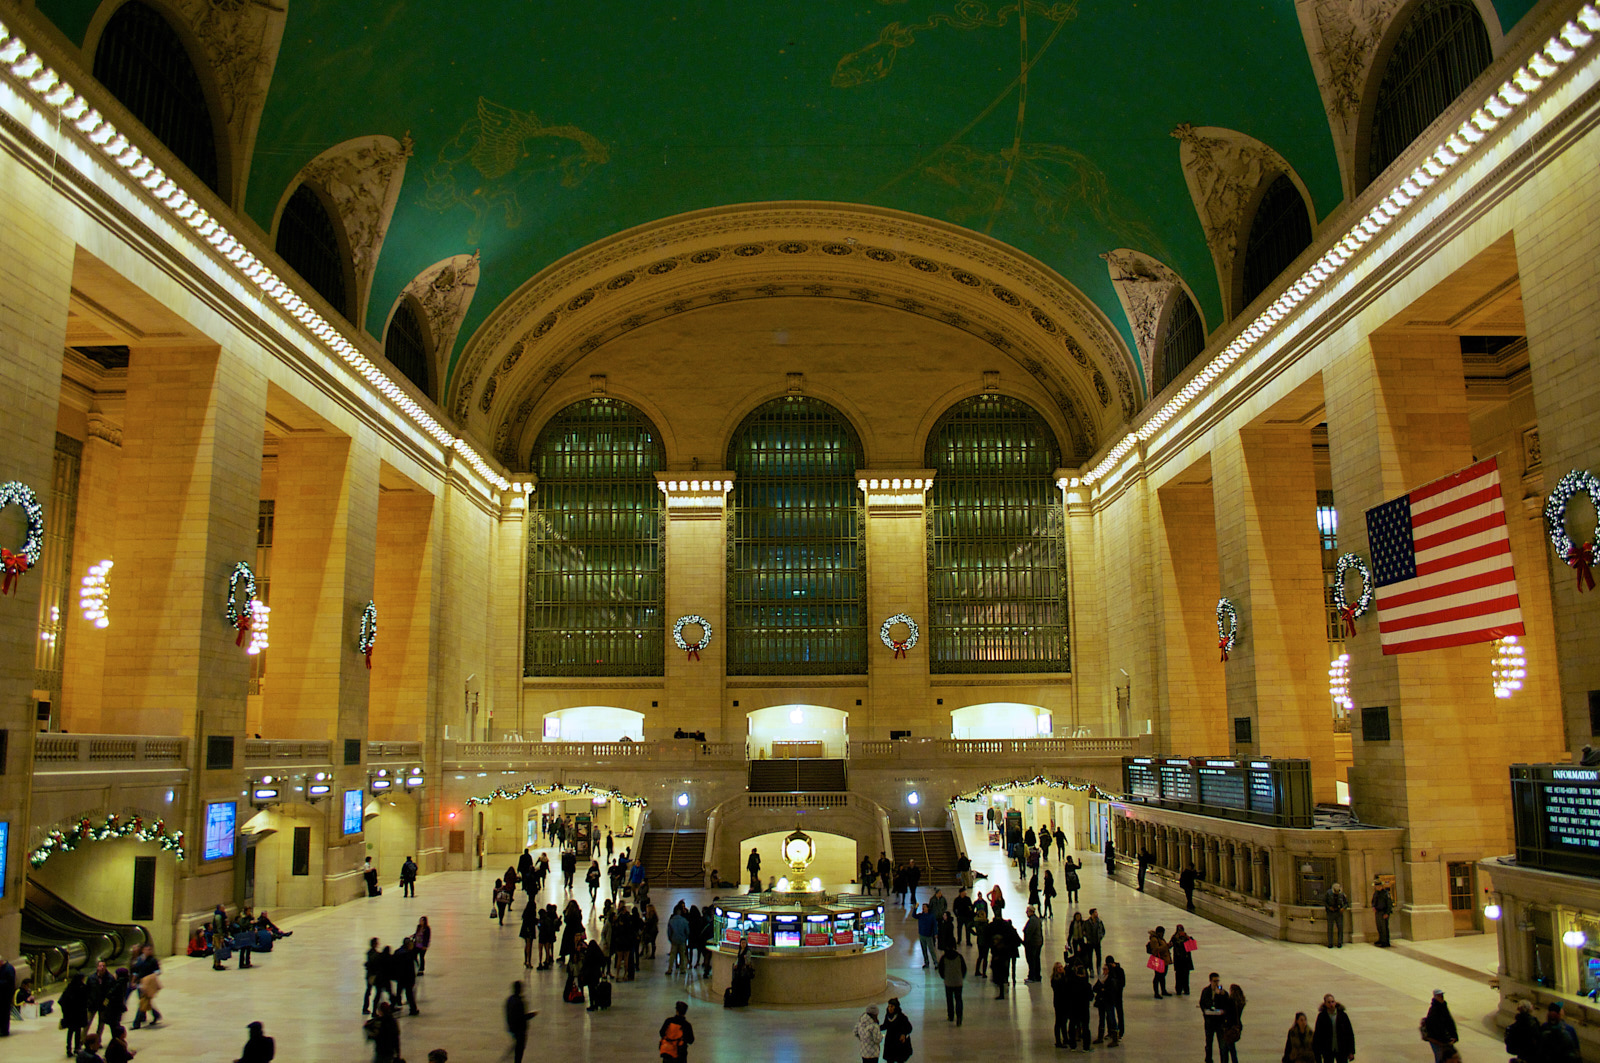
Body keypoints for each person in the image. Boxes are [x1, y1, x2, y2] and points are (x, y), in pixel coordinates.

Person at [1312, 992, 1355, 1063]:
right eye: (1329, 1002)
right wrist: (1317, 1052)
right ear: (1325, 1004)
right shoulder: (1322, 1017)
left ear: (1335, 1002)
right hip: (1328, 1050)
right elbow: (1318, 1035)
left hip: (1341, 1048)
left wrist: (1351, 1051)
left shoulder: (1343, 1015)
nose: (1331, 1004)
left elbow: (1349, 1033)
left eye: (1332, 1001)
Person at [504, 980, 536, 1063]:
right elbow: (522, 1017)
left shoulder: (510, 1000)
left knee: (517, 1049)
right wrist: (532, 1014)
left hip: (512, 1028)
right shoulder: (519, 1002)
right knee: (519, 1051)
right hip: (520, 1030)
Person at [1421, 988, 1457, 1062]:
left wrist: (1454, 1036)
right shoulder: (1434, 1010)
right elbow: (1435, 1027)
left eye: (1442, 995)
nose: (1441, 997)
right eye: (1439, 996)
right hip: (1436, 1040)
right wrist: (1444, 1040)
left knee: (1447, 1057)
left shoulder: (1443, 1006)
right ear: (1435, 997)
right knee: (1440, 1057)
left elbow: (1450, 1022)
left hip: (1443, 1039)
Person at [989, 916, 1021, 998]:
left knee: (1006, 966)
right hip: (1013, 951)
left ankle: (1006, 979)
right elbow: (1018, 941)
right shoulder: (1012, 932)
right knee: (1012, 966)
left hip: (1008, 952)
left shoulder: (1001, 935)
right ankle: (1013, 978)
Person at [60, 972, 90, 1056]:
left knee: (70, 1032)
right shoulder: (83, 988)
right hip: (78, 1014)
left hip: (70, 1014)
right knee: (77, 1031)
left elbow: (62, 1001)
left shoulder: (69, 988)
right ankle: (76, 1048)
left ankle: (69, 1048)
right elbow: (86, 1000)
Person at [1200, 972, 1227, 1062]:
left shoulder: (1222, 992)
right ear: (1210, 981)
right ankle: (1208, 1059)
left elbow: (1226, 1004)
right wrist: (1206, 1011)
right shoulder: (1206, 991)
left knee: (1222, 1045)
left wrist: (1219, 995)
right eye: (1215, 981)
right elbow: (1202, 1003)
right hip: (1210, 1022)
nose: (1216, 983)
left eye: (1218, 981)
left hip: (1220, 1022)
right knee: (1209, 1043)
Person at [937, 945, 966, 1025]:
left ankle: (951, 1016)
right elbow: (964, 968)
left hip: (948, 982)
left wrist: (944, 977)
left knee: (949, 1000)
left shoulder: (944, 958)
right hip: (958, 981)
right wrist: (961, 977)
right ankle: (959, 1016)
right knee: (958, 999)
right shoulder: (959, 957)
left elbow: (941, 970)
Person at [1093, 961, 1120, 1047]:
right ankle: (1100, 1037)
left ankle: (1115, 1038)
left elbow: (1110, 991)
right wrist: (1102, 989)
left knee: (1111, 1019)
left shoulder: (1111, 979)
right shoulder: (1101, 978)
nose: (1104, 971)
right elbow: (1095, 988)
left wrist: (1102, 989)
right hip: (1101, 1002)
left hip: (1108, 1002)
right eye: (1103, 969)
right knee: (1101, 1019)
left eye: (1105, 969)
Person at [1219, 983, 1246, 1063]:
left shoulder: (1231, 1002)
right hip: (1236, 1026)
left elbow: (1226, 1009)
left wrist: (1222, 994)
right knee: (1231, 1048)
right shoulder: (1241, 1002)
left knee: (1228, 1048)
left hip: (1229, 1027)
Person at [880, 997, 913, 1063]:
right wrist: (876, 1027)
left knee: (899, 1060)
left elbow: (909, 1028)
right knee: (890, 1060)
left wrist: (903, 1034)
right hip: (890, 1042)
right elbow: (885, 1025)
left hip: (898, 1044)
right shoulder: (888, 1016)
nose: (890, 1008)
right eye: (889, 1006)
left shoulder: (902, 1017)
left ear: (896, 1007)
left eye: (892, 1006)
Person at [392, 937, 419, 1015]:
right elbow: (411, 969)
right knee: (409, 994)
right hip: (407, 977)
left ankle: (396, 1005)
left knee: (399, 991)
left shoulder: (397, 952)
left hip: (400, 976)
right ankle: (413, 1009)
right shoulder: (409, 954)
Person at [1050, 962, 1071, 1048]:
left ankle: (1065, 1038)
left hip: (1065, 1002)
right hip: (1059, 1003)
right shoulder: (1055, 980)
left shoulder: (1065, 977)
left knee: (1064, 1021)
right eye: (1058, 967)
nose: (1060, 968)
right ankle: (1058, 1041)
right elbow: (1060, 989)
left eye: (1061, 967)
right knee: (1059, 1022)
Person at [1169, 924, 1195, 995]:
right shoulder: (1174, 937)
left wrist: (1187, 937)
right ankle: (1179, 990)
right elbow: (1170, 945)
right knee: (1178, 975)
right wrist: (1175, 938)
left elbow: (1193, 946)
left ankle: (1186, 989)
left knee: (1186, 975)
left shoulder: (1187, 937)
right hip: (1178, 960)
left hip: (1186, 960)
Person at [1147, 927, 1171, 1000]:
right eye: (1162, 933)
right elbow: (1155, 950)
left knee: (1162, 976)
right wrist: (1166, 946)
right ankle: (1156, 993)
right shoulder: (1154, 939)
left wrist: (1168, 946)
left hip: (1163, 960)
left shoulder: (1160, 938)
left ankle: (1163, 990)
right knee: (1157, 977)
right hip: (1158, 960)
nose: (1163, 934)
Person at [1023, 905, 1044, 982]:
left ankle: (1032, 976)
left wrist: (1025, 942)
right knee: (1036, 960)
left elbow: (1029, 932)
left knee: (1032, 960)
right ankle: (1037, 976)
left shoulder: (1032, 921)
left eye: (1027, 911)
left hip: (1033, 943)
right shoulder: (1037, 919)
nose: (1026, 913)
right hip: (1038, 942)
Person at [1323, 883, 1348, 948]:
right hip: (1330, 913)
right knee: (1330, 928)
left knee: (1340, 927)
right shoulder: (1328, 893)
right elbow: (1325, 902)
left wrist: (1343, 908)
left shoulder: (1342, 894)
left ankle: (1340, 942)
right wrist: (1329, 907)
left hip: (1339, 912)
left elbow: (1346, 903)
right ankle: (1330, 943)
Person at [1370, 878, 1392, 947]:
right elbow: (1373, 901)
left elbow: (1389, 904)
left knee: (1384, 928)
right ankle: (1381, 939)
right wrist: (1373, 907)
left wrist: (1387, 913)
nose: (1377, 887)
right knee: (1379, 927)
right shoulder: (1376, 893)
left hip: (1383, 912)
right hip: (1378, 912)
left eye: (1378, 886)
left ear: (1381, 886)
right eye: (1376, 886)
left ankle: (1385, 941)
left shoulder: (1386, 894)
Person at [915, 902, 937, 968]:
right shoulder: (921, 915)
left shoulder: (931, 916)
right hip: (922, 935)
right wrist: (915, 908)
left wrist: (935, 933)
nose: (923, 908)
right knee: (924, 950)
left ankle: (935, 962)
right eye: (922, 907)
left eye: (924, 907)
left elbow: (934, 925)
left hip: (929, 935)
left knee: (931, 949)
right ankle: (926, 962)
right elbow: (914, 915)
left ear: (928, 908)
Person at [0, 953, 12, 1038]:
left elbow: (9, 983)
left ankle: (4, 1030)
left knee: (4, 1013)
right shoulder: (3, 968)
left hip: (6, 995)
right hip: (2, 994)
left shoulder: (9, 969)